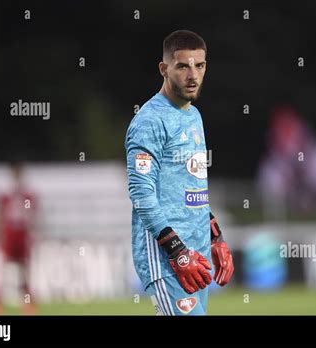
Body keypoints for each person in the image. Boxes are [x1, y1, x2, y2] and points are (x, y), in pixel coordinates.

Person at [124, 30, 234, 315]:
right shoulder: (150, 120)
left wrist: (215, 236)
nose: (193, 75)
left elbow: (193, 186)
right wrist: (176, 250)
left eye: (200, 65)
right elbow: (141, 193)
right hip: (169, 260)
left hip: (196, 257)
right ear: (164, 69)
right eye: (183, 66)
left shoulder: (193, 116)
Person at [0, 162, 37, 314]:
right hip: (8, 237)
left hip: (22, 237)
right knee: (1, 271)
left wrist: (34, 235)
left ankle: (27, 304)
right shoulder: (5, 196)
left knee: (24, 272)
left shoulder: (27, 196)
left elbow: (33, 217)